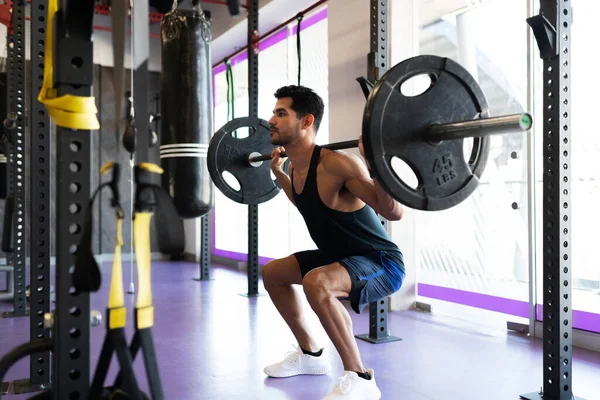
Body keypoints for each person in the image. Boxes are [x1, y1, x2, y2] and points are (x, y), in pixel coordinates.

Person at [261, 85, 406, 400]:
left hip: (381, 262)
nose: (271, 119)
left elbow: (393, 212)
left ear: (306, 121)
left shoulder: (336, 164)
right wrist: (278, 173)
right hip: (337, 256)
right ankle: (310, 355)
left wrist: (376, 163)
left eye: (280, 113)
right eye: (274, 112)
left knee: (318, 283)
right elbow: (306, 203)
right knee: (272, 272)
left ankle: (361, 377)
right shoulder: (295, 167)